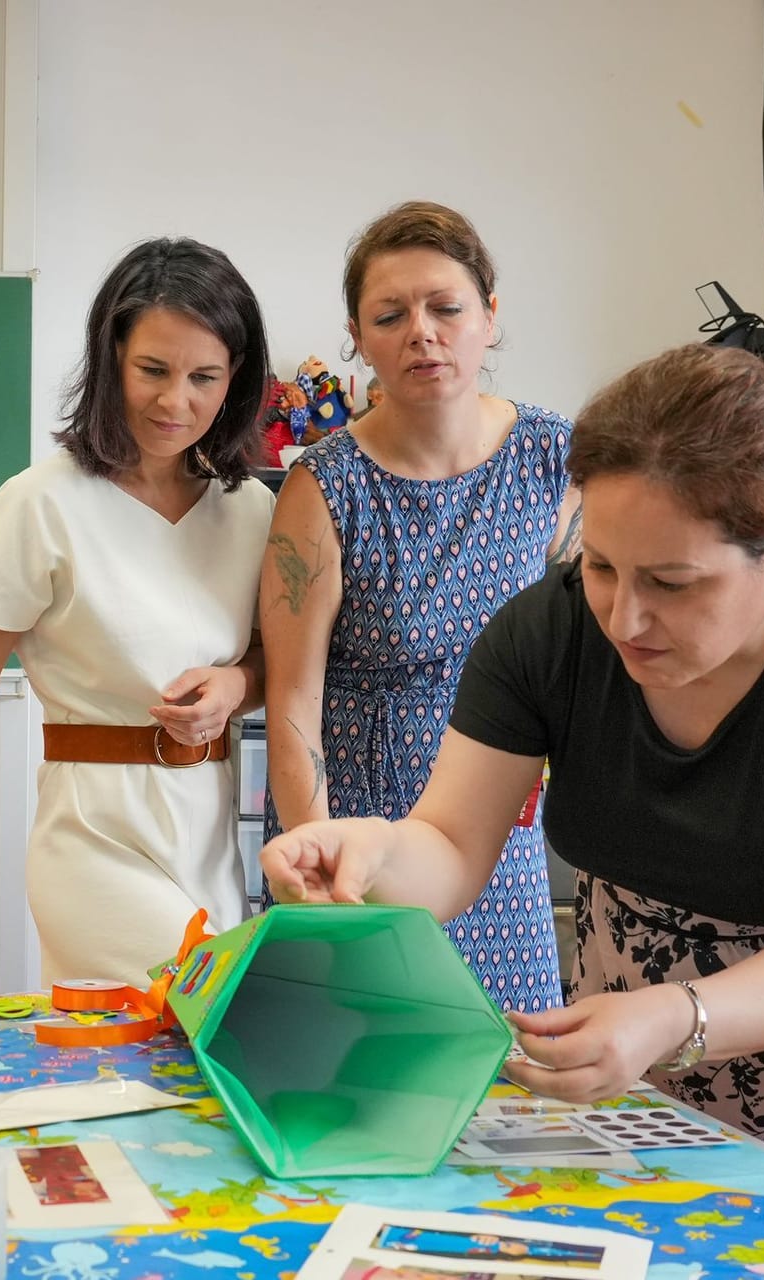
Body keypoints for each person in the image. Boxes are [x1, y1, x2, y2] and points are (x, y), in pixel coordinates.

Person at [262, 344, 764, 1241]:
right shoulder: (549, 630)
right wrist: (367, 853)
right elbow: (448, 845)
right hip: (632, 1018)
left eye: (672, 584)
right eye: (601, 566)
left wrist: (669, 1016)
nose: (624, 619)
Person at [0, 237, 276, 986]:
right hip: (93, 836)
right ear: (111, 363)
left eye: (205, 377)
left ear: (236, 381)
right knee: (209, 1009)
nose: (176, 401)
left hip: (210, 837)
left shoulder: (249, 509)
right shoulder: (43, 504)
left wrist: (235, 687)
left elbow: (267, 662)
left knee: (176, 1079)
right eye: (153, 370)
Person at [258, 201, 579, 1013]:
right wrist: (315, 867)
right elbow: (292, 695)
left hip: (499, 830)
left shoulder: (556, 458)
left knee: (515, 1084)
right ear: (358, 338)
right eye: (390, 315)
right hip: (357, 840)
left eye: (447, 307)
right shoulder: (324, 486)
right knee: (351, 1072)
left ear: (490, 317)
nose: (422, 333)